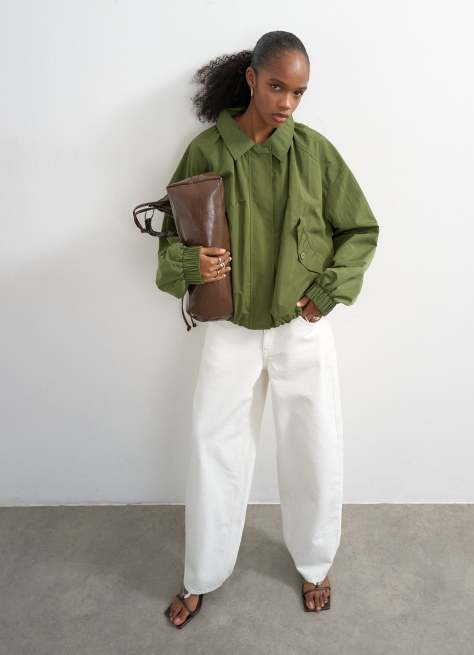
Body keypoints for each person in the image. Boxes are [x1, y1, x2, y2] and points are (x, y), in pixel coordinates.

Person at [157, 30, 380, 628]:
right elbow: (170, 240)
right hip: (229, 330)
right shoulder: (206, 150)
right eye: (277, 86)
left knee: (314, 446)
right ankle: (201, 575)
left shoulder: (314, 153)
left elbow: (360, 229)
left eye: (299, 92)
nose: (286, 102)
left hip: (299, 328)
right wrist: (191, 264)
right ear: (252, 78)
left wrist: (327, 292)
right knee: (215, 451)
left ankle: (315, 562)